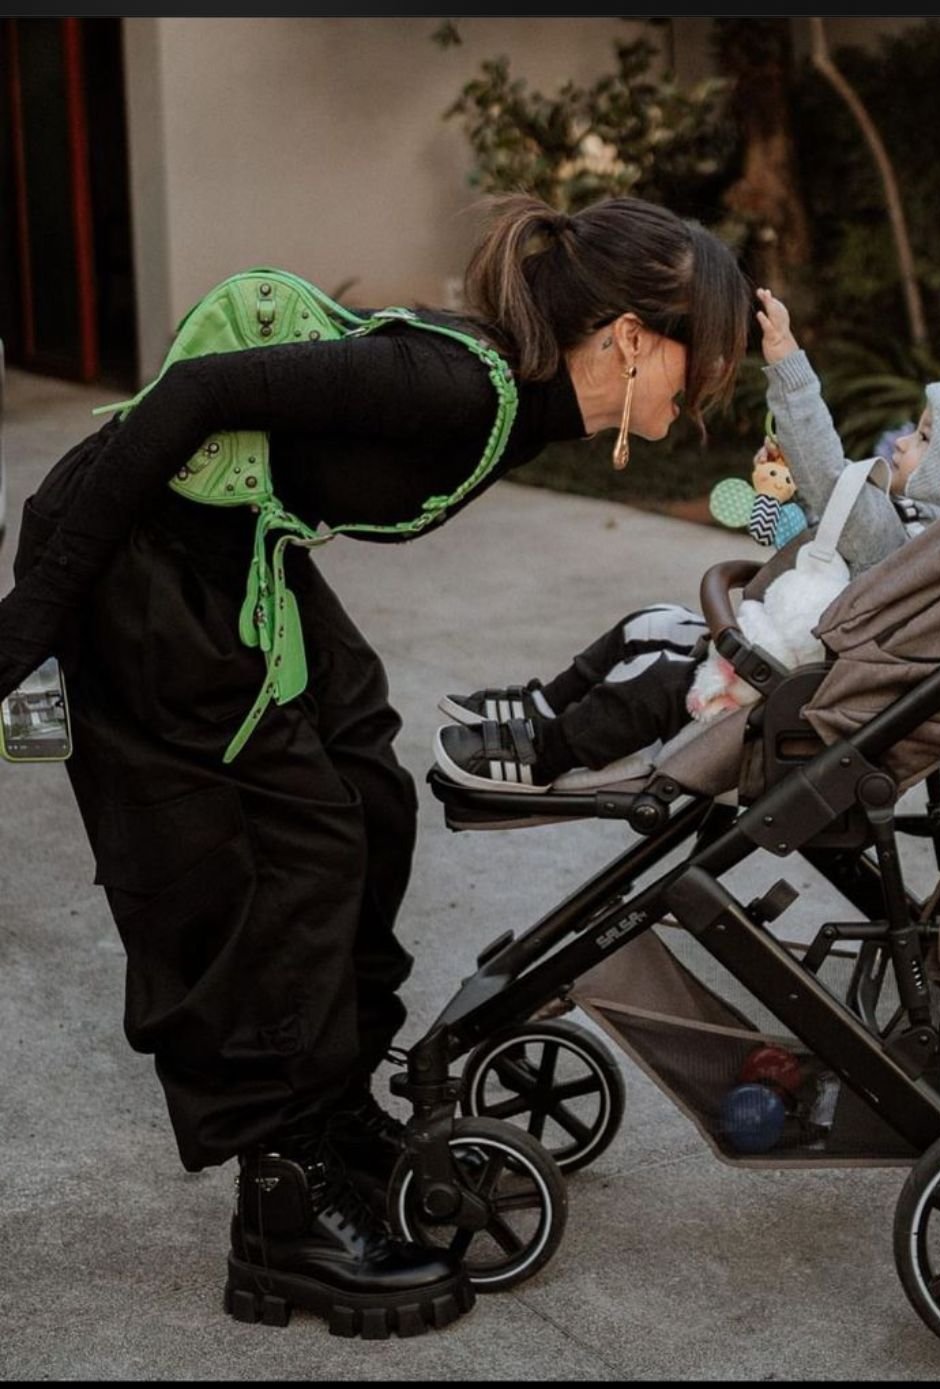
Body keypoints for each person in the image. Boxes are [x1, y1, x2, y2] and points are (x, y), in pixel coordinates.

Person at [0, 193, 751, 1336]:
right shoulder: (456, 387)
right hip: (140, 566)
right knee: (287, 854)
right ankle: (283, 1213)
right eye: (707, 363)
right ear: (636, 337)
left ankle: (334, 1116)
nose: (707, 395)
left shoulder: (523, 397)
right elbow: (189, 397)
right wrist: (30, 623)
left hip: (235, 550)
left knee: (366, 796)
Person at [434, 287, 940, 792]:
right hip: (767, 661)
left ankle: (545, 755)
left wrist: (789, 366)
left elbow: (825, 474)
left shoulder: (909, 545)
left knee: (656, 680)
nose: (904, 440)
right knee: (648, 624)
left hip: (770, 694)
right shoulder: (910, 528)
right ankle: (544, 707)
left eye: (927, 440)